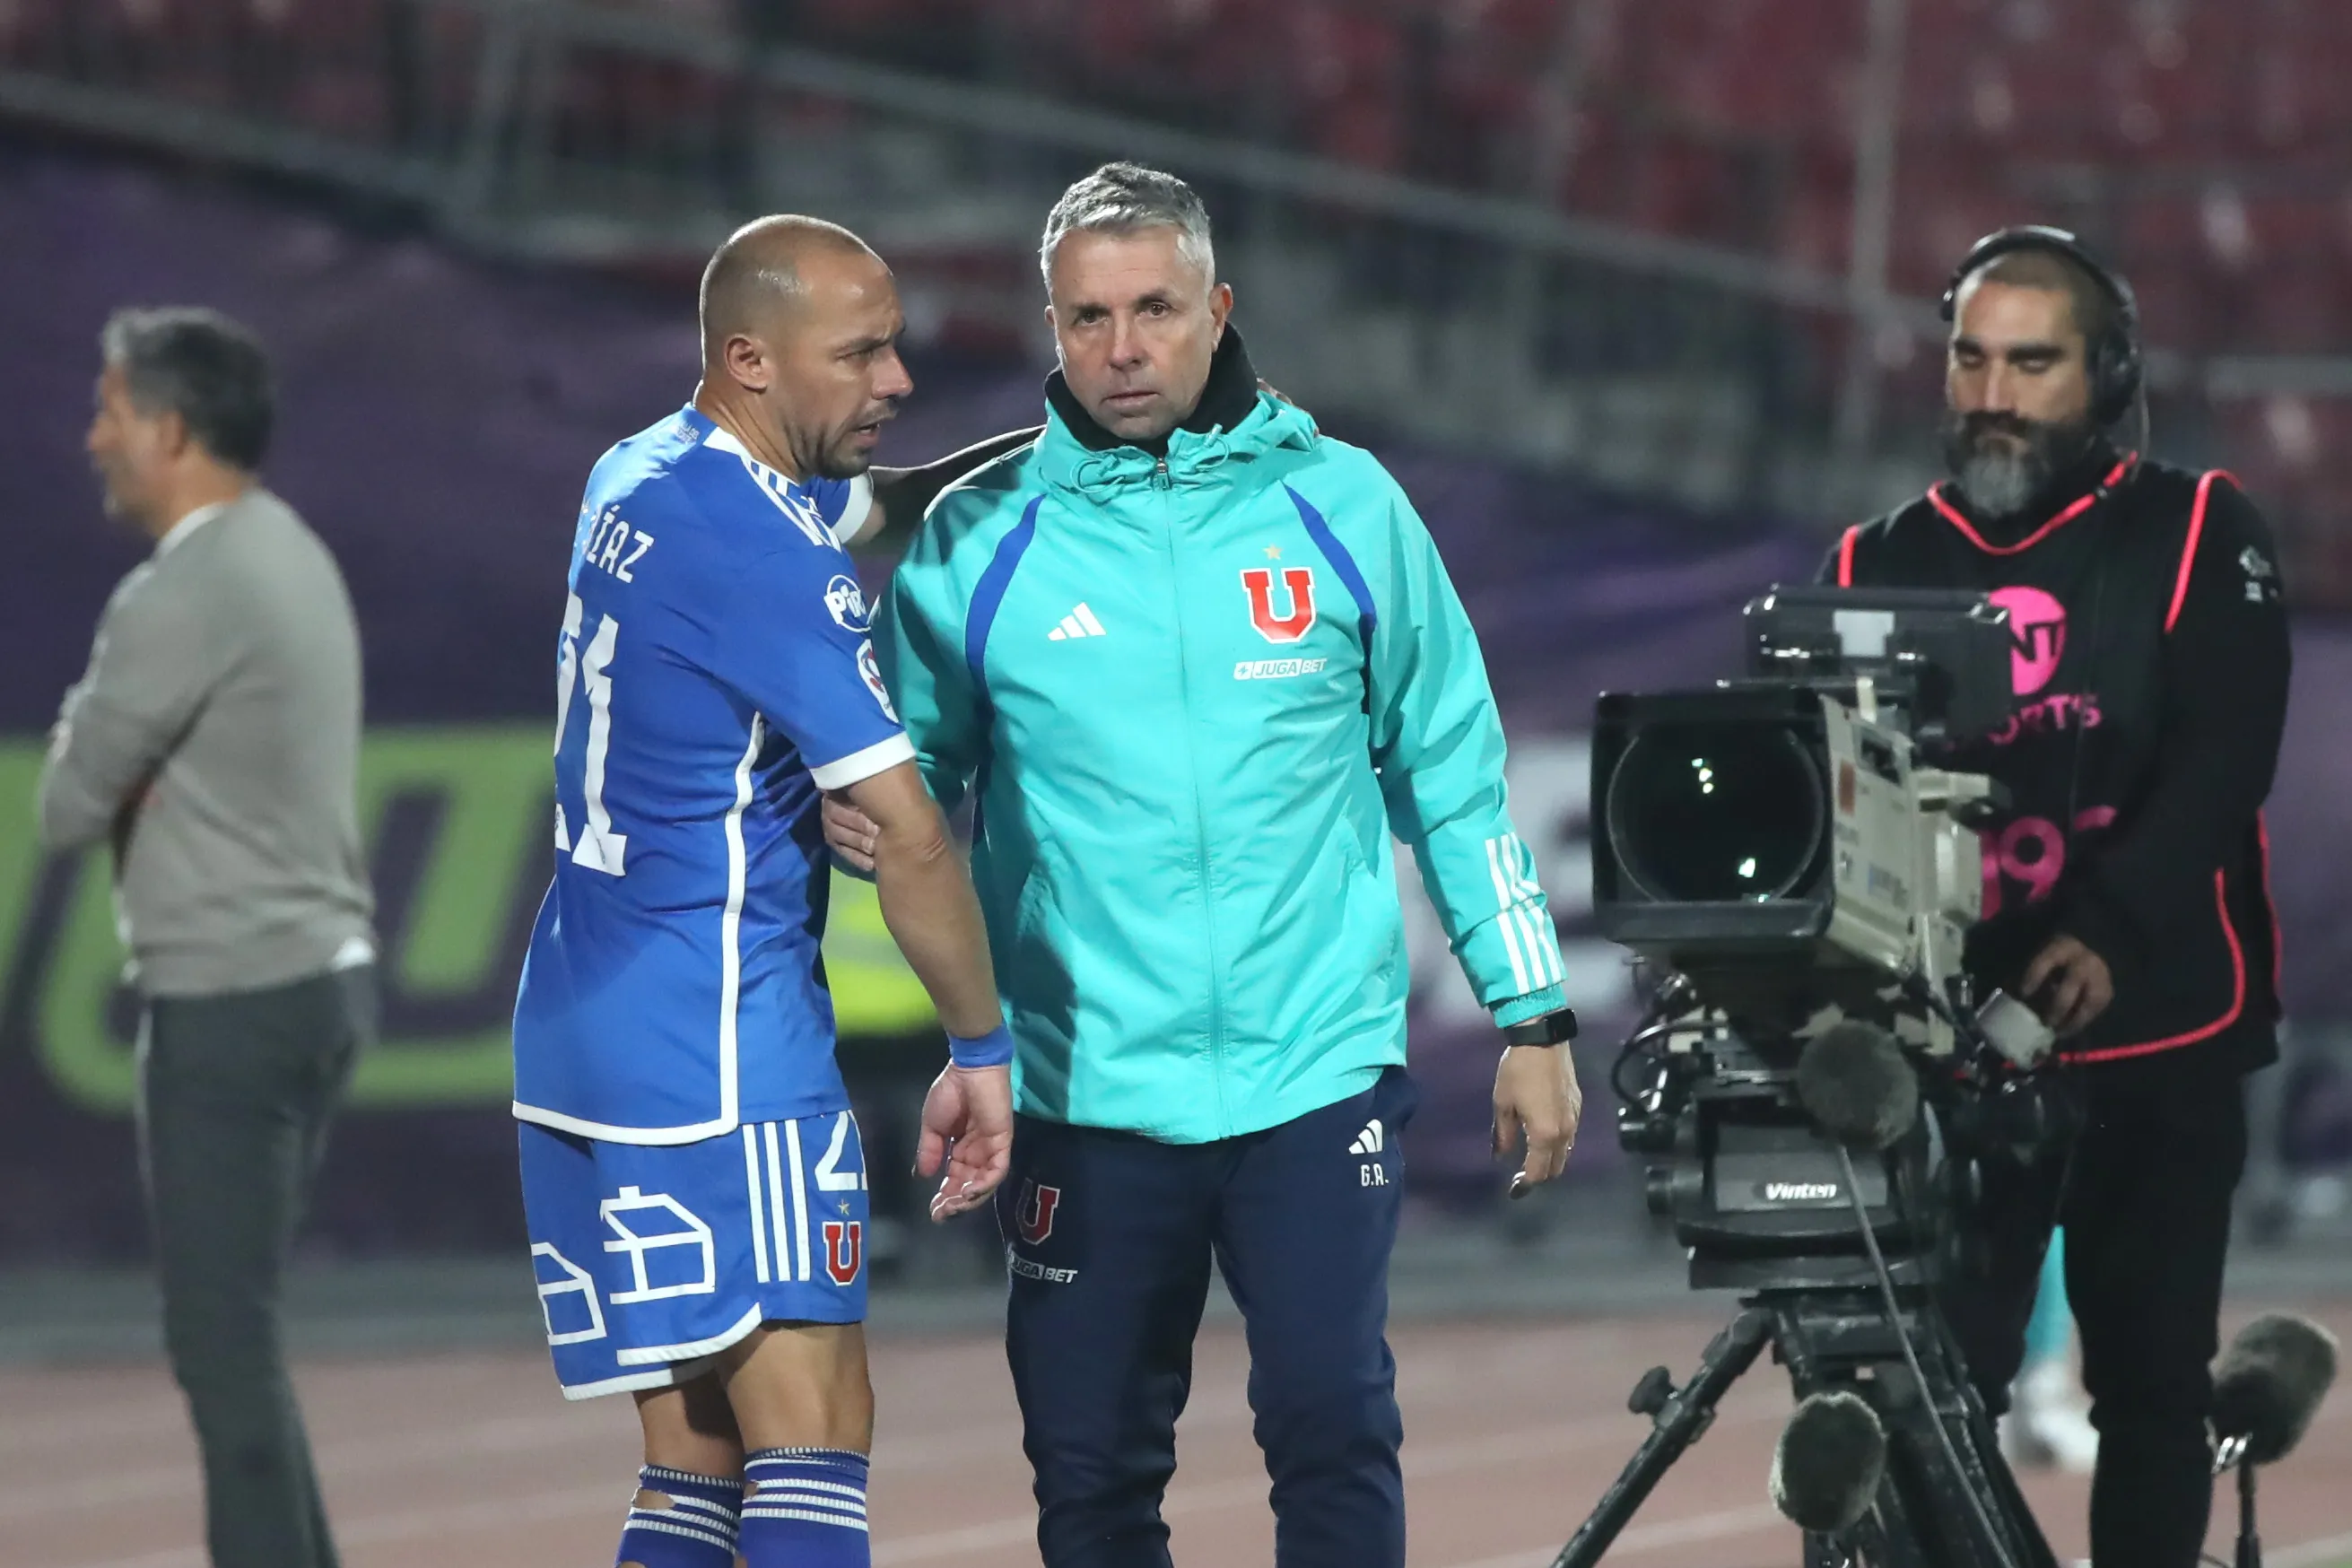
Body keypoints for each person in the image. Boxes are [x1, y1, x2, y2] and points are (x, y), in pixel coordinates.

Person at [826, 161, 1584, 1568]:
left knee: (1332, 1426)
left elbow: (1454, 774)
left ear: (1217, 308)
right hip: (1082, 1088)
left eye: (1155, 308)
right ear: (1048, 328)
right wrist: (906, 901)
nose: (1122, 349)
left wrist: (1531, 1016)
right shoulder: (974, 546)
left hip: (1311, 1078)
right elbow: (914, 805)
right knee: (1092, 1474)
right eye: (1087, 317)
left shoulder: (1345, 508)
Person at [510, 215, 1020, 1568]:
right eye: (857, 355)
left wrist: (1044, 448)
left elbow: (878, 501)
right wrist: (982, 1048)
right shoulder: (770, 561)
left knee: (692, 1463)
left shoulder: (639, 472)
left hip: (582, 1027)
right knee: (814, 1438)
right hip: (716, 1041)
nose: (896, 379)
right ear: (749, 357)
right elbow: (909, 839)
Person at [1828, 225, 2291, 1568]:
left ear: (2108, 375)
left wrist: (2107, 926)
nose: (1991, 392)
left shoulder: (2201, 528)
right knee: (1934, 1399)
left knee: (2149, 1393)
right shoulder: (1871, 562)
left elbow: (2223, 764)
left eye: (2031, 363)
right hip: (1956, 1059)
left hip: (2163, 1038)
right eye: (1970, 357)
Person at [39, 307, 378, 1568]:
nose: (94, 440)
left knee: (221, 1354)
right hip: (313, 988)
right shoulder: (286, 548)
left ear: (171, 430)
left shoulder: (183, 589)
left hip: (233, 1000)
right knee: (242, 1346)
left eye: (112, 414)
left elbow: (67, 802)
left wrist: (117, 765)